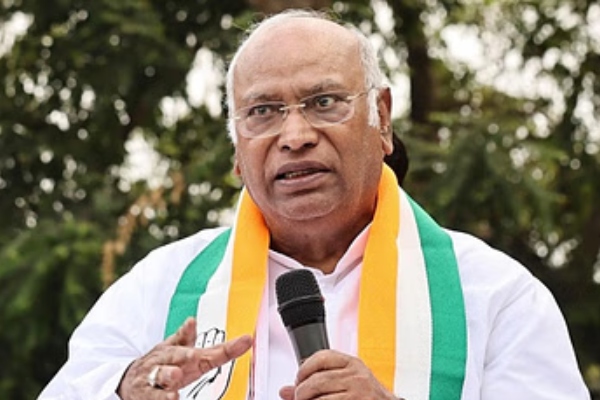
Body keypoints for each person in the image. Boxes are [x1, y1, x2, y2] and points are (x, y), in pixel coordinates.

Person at [39, 9, 590, 400]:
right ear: (236, 151)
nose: (295, 135)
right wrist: (123, 392)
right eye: (263, 112)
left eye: (323, 102)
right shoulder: (155, 290)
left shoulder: (496, 297)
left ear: (382, 119)